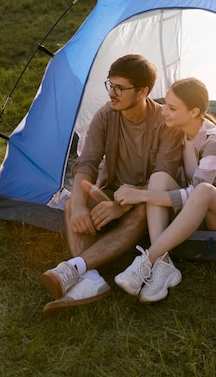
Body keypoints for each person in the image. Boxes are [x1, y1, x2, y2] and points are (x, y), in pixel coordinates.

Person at [41, 54, 182, 316]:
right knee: (74, 202)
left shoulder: (165, 123)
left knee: (140, 210)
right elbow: (86, 164)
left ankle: (76, 268)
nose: (111, 94)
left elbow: (163, 177)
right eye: (110, 85)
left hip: (149, 201)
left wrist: (122, 205)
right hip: (112, 191)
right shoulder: (106, 115)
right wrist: (82, 206)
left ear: (143, 91)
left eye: (120, 88)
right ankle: (91, 277)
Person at [113, 77, 216, 303]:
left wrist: (141, 195)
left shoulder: (215, 140)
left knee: (203, 190)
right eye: (165, 104)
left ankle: (147, 260)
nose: (164, 112)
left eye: (172, 108)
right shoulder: (178, 132)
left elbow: (194, 192)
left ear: (194, 112)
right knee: (158, 178)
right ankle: (164, 264)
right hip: (198, 211)